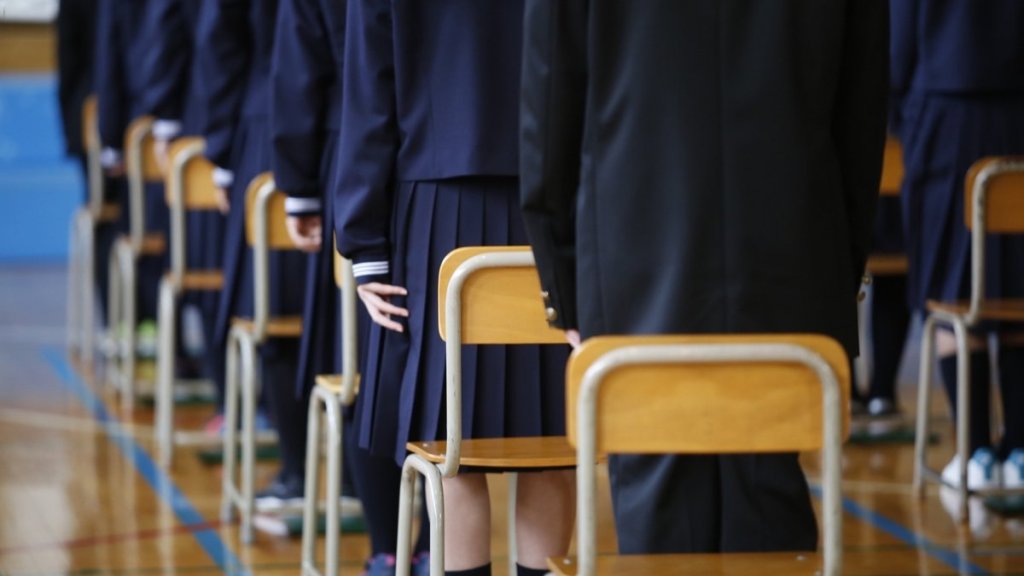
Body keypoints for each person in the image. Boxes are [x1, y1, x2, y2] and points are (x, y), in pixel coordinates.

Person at [520, 0, 888, 554]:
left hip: (633, 248)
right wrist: (841, 269)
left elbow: (550, 106)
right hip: (790, 247)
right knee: (771, 492)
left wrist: (565, 287)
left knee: (654, 494)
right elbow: (861, 111)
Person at [333, 1, 575, 574]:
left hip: (437, 208)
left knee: (452, 446)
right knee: (550, 441)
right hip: (558, 194)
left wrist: (365, 243)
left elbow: (370, 85)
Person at [271, 0, 429, 571]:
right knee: (440, 382)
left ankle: (390, 551)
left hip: (361, 155)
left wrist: (301, 187)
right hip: (458, 152)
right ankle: (430, 548)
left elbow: (302, 63)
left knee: (367, 371)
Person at [890, 0, 1024, 490]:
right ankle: (1020, 449)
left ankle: (974, 452)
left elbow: (897, 41)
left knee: (951, 288)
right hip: (1017, 109)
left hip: (944, 110)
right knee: (1016, 289)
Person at [194, 0, 308, 508]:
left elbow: (220, 42)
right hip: (343, 125)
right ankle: (329, 476)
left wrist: (219, 150)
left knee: (278, 313)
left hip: (267, 127)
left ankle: (298, 473)